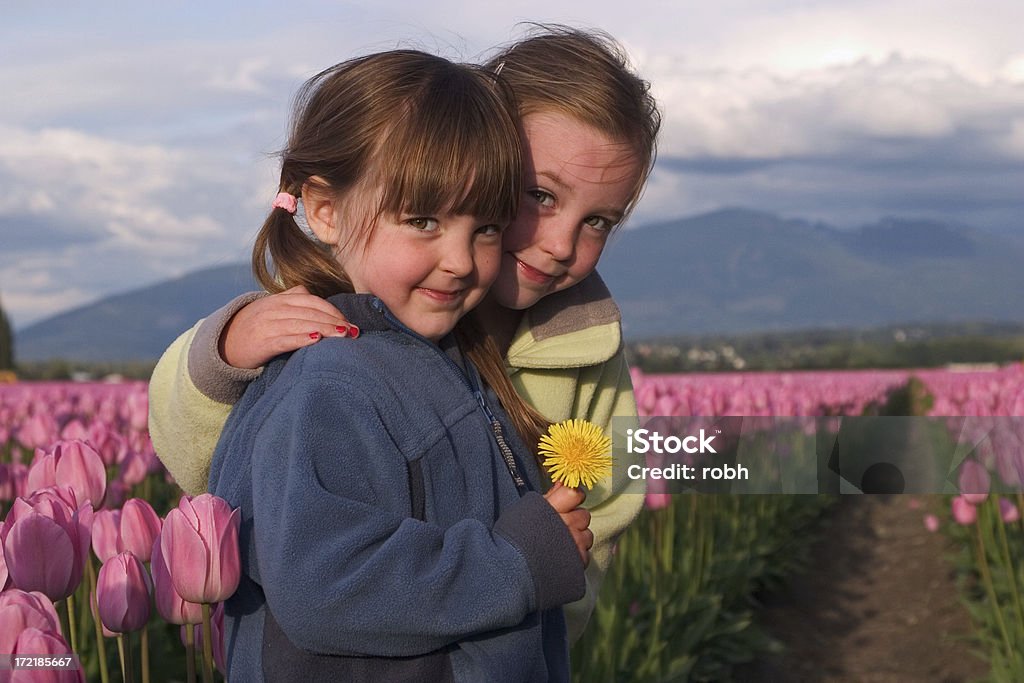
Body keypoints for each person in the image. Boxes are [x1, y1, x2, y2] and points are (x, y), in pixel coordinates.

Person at [149, 25, 661, 642]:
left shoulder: (588, 345)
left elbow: (604, 511)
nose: (560, 246)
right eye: (539, 196)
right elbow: (202, 462)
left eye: (599, 221)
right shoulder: (336, 325)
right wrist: (224, 353)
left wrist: (542, 634)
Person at [208, 50, 593, 681]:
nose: (461, 260)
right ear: (324, 209)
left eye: (488, 229)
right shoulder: (330, 382)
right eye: (423, 221)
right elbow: (324, 584)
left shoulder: (442, 358)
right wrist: (516, 563)